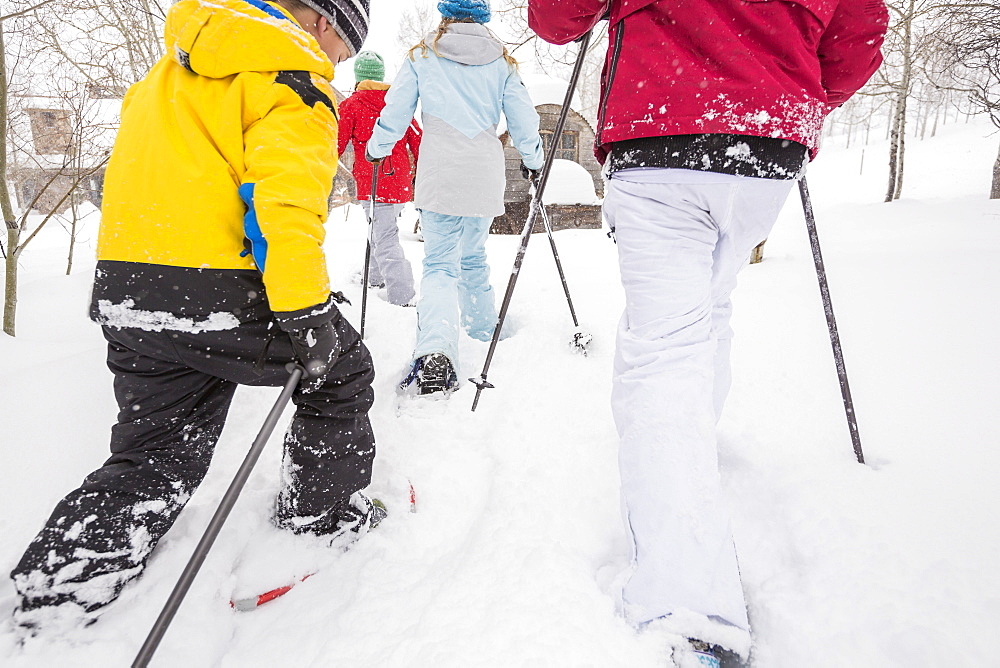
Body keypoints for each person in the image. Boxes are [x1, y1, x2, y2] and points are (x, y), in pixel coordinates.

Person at [528, 1, 887, 665]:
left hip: (662, 123)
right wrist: (788, 84)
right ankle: (689, 451)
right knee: (707, 311)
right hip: (767, 139)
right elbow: (859, 35)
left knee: (665, 351)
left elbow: (554, 19)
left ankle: (691, 609)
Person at [10, 0, 381, 636]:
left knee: (156, 451)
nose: (336, 67)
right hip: (218, 293)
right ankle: (322, 520)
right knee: (340, 371)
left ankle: (57, 587)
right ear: (324, 23)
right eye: (341, 53)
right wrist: (306, 312)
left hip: (131, 285)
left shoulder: (164, 76)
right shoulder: (292, 79)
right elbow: (284, 208)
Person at [366, 0, 544, 396]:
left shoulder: (423, 53)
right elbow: (523, 118)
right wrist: (534, 161)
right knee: (473, 258)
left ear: (446, 14)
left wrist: (378, 147)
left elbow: (396, 110)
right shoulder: (503, 60)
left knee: (441, 267)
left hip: (441, 173)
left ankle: (436, 350)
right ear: (482, 17)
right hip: (483, 173)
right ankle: (481, 330)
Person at [338, 50, 421, 306]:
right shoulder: (397, 104)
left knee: (384, 237)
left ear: (359, 77)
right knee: (380, 230)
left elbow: (335, 144)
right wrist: (423, 170)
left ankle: (403, 295)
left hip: (374, 183)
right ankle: (374, 277)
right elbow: (418, 139)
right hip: (398, 183)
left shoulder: (352, 105)